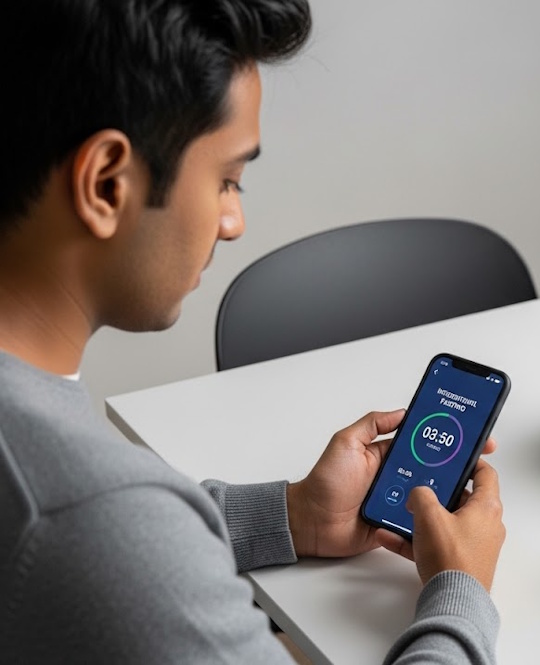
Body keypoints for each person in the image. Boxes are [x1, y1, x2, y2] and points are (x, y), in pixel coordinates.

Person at [0, 1, 506, 663]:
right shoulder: (92, 515)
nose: (234, 223)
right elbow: (114, 537)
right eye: (227, 180)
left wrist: (292, 514)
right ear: (105, 183)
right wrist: (460, 593)